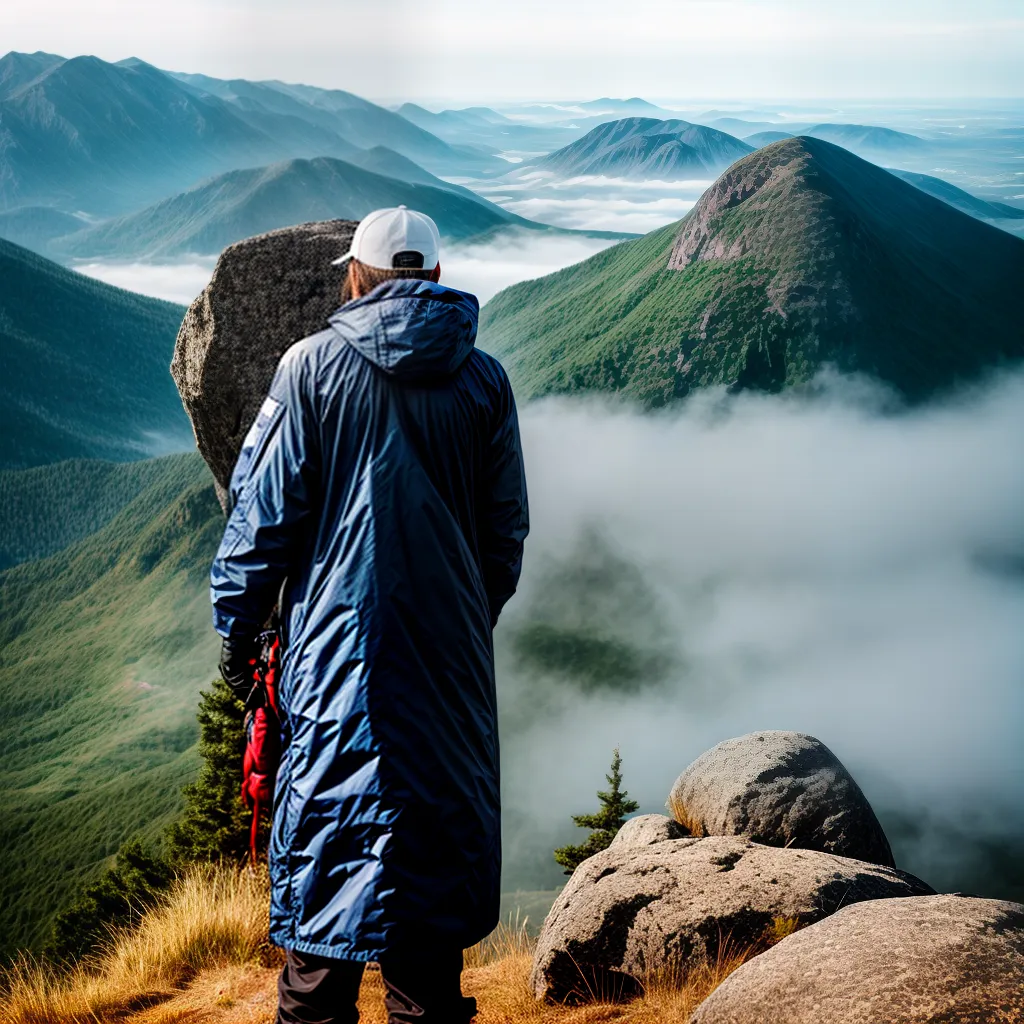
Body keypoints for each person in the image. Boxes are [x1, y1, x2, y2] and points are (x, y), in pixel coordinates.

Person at [210, 206, 530, 1024]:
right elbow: (504, 539)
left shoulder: (309, 370)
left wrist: (240, 637)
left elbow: (261, 521)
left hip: (335, 675)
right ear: (431, 278)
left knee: (320, 937)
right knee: (426, 956)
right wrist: (457, 623)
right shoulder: (485, 380)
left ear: (357, 276)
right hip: (449, 681)